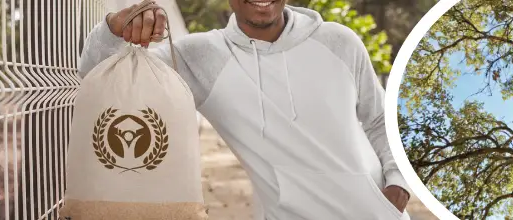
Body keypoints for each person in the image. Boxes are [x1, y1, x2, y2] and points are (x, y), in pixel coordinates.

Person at [76, 0, 411, 219]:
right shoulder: (202, 57)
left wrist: (398, 182)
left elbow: (380, 119)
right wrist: (113, 27)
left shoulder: (340, 41)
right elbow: (101, 73)